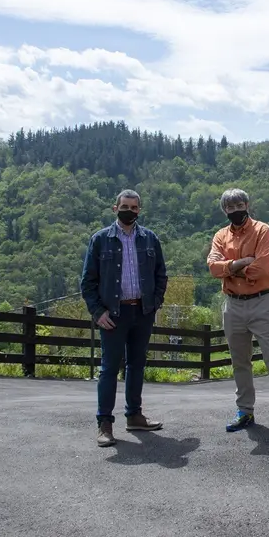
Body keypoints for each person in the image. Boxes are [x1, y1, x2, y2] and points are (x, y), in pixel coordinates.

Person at [80, 189, 168, 447]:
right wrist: (98, 312)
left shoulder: (150, 239)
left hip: (142, 311)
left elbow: (161, 275)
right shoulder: (100, 240)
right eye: (124, 206)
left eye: (134, 207)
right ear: (114, 208)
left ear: (139, 210)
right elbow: (88, 282)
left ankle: (134, 416)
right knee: (109, 369)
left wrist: (155, 303)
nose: (129, 210)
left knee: (137, 365)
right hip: (113, 315)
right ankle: (104, 424)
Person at [207, 188, 269, 433]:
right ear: (225, 210)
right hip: (233, 304)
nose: (236, 211)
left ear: (247, 205)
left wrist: (229, 268)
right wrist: (240, 263)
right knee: (240, 362)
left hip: (262, 302)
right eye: (230, 207)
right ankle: (245, 411)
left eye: (239, 206)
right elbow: (213, 268)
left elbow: (261, 268)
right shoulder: (220, 236)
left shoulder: (262, 230)